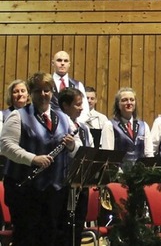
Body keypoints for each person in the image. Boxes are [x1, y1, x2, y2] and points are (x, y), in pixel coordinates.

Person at [0, 72, 81, 246]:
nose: (43, 95)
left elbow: (77, 147)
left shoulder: (64, 118)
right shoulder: (18, 116)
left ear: (52, 92)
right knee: (27, 238)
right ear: (31, 93)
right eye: (38, 91)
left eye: (47, 90)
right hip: (24, 191)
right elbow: (6, 146)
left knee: (52, 237)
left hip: (55, 191)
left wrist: (72, 146)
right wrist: (33, 158)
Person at [58, 87, 93, 246]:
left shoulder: (84, 127)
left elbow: (90, 148)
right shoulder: (59, 125)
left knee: (78, 223)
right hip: (64, 184)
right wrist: (72, 147)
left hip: (81, 182)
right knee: (64, 227)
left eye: (82, 104)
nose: (81, 108)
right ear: (65, 106)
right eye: (77, 104)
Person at [100, 87, 150, 163]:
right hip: (118, 173)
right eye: (124, 100)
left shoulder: (143, 126)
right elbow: (108, 155)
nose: (129, 103)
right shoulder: (109, 125)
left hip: (140, 173)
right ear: (118, 104)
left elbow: (149, 154)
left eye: (132, 100)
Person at [50, 51, 89, 115]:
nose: (62, 63)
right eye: (59, 60)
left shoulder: (77, 85)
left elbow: (84, 110)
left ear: (69, 64)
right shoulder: (47, 83)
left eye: (65, 61)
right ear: (53, 63)